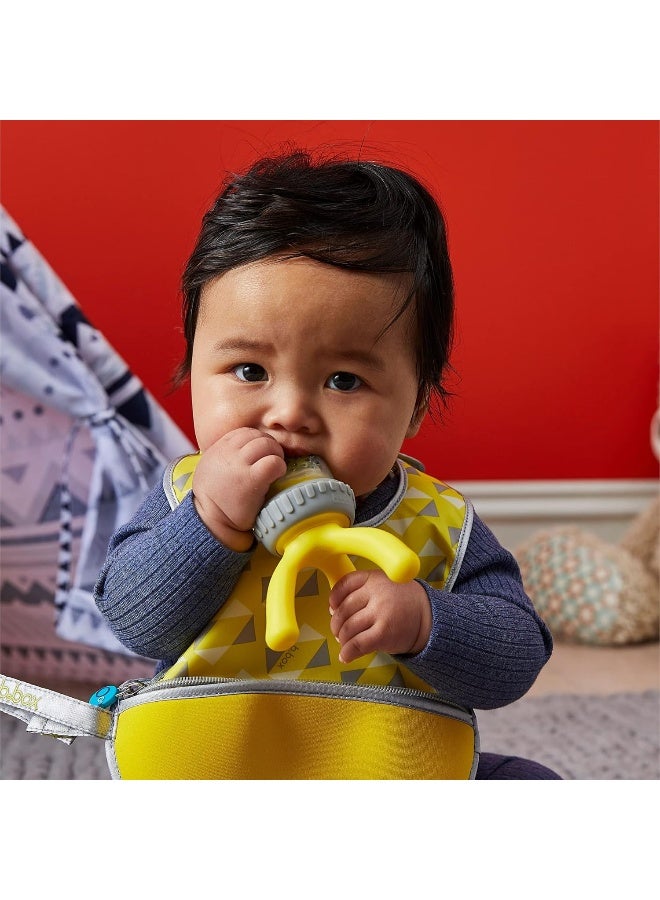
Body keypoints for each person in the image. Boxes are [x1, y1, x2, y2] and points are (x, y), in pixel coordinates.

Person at [94, 148, 560, 779]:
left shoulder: (436, 524)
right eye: (250, 371)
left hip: (386, 765)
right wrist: (208, 526)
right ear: (193, 370)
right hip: (218, 768)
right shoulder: (190, 497)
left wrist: (425, 618)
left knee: (533, 787)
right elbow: (135, 621)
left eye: (343, 380)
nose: (288, 414)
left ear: (416, 406)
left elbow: (515, 658)